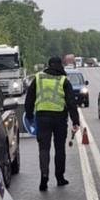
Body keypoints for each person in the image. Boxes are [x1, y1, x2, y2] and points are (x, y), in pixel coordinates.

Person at [24, 55, 80, 191]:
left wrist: (29, 116)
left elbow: (29, 98)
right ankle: (60, 178)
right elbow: (71, 102)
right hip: (59, 118)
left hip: (42, 118)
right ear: (60, 65)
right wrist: (75, 121)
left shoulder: (38, 78)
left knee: (44, 149)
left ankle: (44, 176)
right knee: (59, 149)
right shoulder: (63, 80)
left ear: (48, 65)